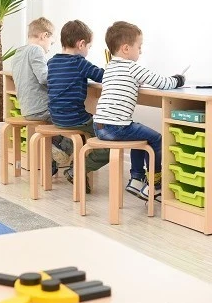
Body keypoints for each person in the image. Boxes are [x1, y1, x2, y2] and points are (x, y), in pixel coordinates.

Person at [93, 21, 185, 202]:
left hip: (100, 126)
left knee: (138, 134)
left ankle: (136, 179)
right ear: (126, 48)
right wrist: (178, 79)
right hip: (117, 127)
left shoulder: (110, 67)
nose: (140, 51)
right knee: (156, 138)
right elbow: (163, 83)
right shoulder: (132, 67)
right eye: (139, 47)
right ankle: (155, 185)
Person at [47, 20, 110, 191]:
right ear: (81, 44)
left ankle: (62, 144)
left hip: (56, 117)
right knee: (109, 140)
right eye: (89, 47)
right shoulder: (80, 63)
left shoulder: (52, 62)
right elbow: (102, 76)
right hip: (75, 119)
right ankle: (78, 169)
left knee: (84, 124)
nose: (88, 50)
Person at [11, 17, 73, 174]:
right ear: (44, 35)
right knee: (74, 117)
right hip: (41, 108)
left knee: (59, 121)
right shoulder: (36, 50)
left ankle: (51, 159)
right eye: (51, 43)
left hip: (27, 109)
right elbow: (44, 78)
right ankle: (61, 149)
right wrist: (62, 74)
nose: (50, 49)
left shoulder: (18, 53)